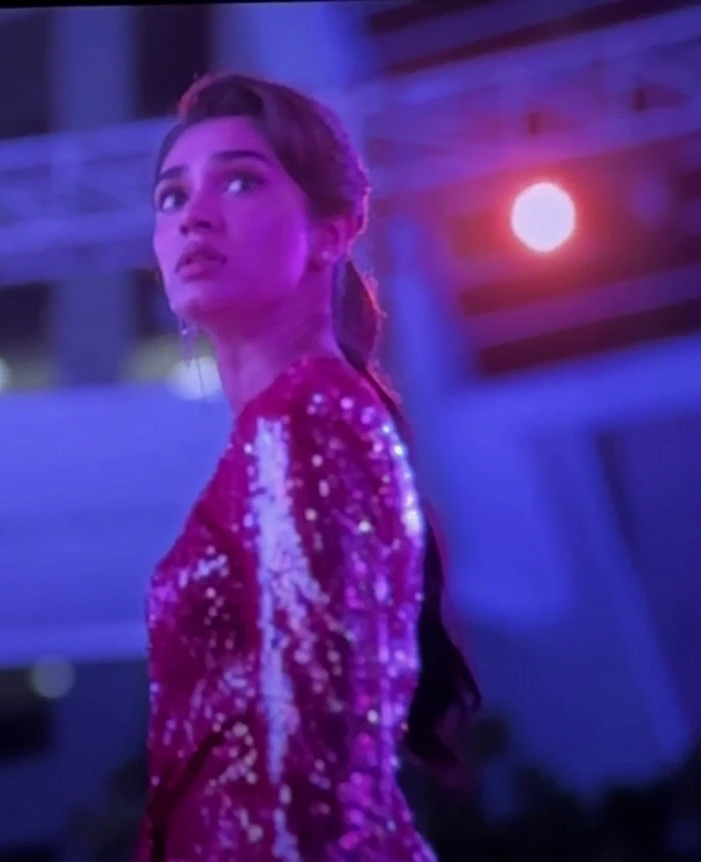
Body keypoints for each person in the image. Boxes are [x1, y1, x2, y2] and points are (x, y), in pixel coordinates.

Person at [138, 73, 481, 861]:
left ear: (331, 231)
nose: (194, 213)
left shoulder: (310, 418)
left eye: (240, 181)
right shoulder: (291, 427)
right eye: (171, 196)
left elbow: (319, 776)